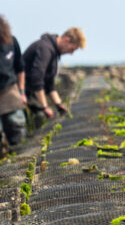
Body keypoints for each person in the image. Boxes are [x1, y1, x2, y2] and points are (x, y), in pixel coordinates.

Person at [23, 27, 85, 129]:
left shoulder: (53, 52)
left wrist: (59, 105)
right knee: (41, 117)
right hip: (20, 92)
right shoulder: (45, 49)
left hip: (29, 92)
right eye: (72, 49)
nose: (71, 53)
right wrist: (45, 107)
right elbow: (37, 79)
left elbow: (49, 85)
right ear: (66, 40)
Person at [0, 15, 26, 151]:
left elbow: (20, 68)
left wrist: (21, 92)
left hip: (10, 89)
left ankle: (20, 158)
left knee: (17, 126)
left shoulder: (11, 41)